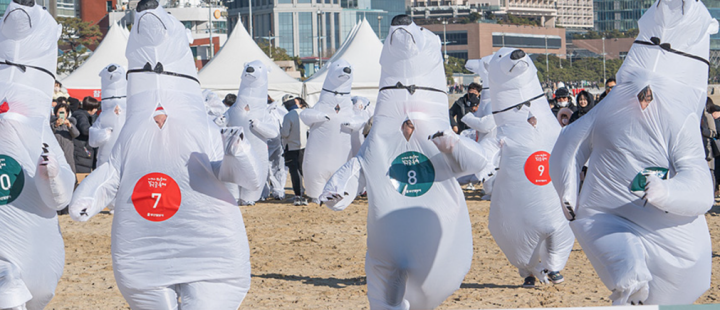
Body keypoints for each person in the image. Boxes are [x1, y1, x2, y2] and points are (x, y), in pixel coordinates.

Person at [69, 1, 259, 308]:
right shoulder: (134, 131)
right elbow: (111, 174)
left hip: (207, 246)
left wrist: (238, 153)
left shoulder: (202, 129)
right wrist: (86, 201)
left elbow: (248, 179)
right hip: (144, 249)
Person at [321, 16, 494, 309]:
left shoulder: (432, 123)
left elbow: (475, 163)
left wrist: (450, 143)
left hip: (431, 223)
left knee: (427, 274)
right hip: (390, 227)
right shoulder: (383, 129)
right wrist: (338, 191)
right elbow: (361, 166)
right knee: (388, 275)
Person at [550, 0, 717, 304]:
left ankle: (633, 282)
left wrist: (665, 192)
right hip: (603, 214)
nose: (646, 95)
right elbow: (570, 144)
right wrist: (567, 190)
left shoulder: (679, 120)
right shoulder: (614, 104)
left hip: (667, 232)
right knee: (621, 262)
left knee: (662, 284)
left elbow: (701, 190)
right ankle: (630, 280)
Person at [0, 1, 76, 308]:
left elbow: (60, 198)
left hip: (35, 250)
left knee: (38, 291)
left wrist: (52, 174)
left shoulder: (41, 134)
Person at [282, 97, 309, 206]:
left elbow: (284, 133)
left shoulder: (288, 116)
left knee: (294, 171)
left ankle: (298, 194)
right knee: (304, 170)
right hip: (304, 146)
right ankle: (311, 192)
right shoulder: (304, 114)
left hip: (291, 147)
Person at [51, 103, 79, 174]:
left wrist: (69, 125)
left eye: (63, 112)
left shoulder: (70, 123)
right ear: (55, 113)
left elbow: (76, 134)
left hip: (68, 152)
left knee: (70, 169)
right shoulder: (52, 124)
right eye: (59, 112)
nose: (61, 114)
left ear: (67, 113)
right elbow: (48, 133)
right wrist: (55, 125)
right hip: (56, 153)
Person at [73, 96, 99, 173]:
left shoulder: (84, 115)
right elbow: (85, 130)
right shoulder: (81, 116)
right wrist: (98, 132)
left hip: (83, 148)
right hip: (82, 148)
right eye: (95, 108)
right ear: (90, 107)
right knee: (83, 171)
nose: (96, 110)